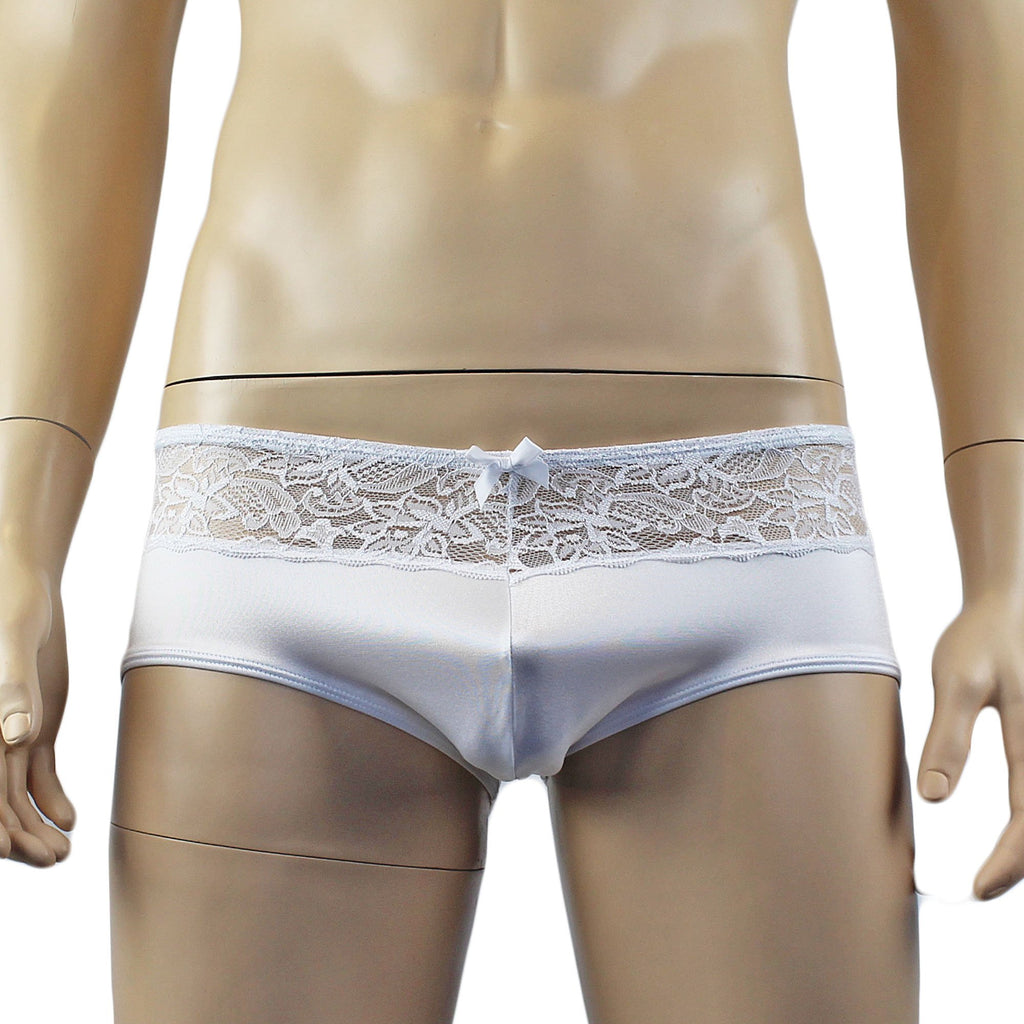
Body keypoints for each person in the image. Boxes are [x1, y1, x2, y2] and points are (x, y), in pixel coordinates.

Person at [1, 1, 1021, 1021]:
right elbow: (74, 40)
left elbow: (980, 42)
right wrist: (15, 529)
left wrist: (1010, 561)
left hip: (735, 510)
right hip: (286, 503)